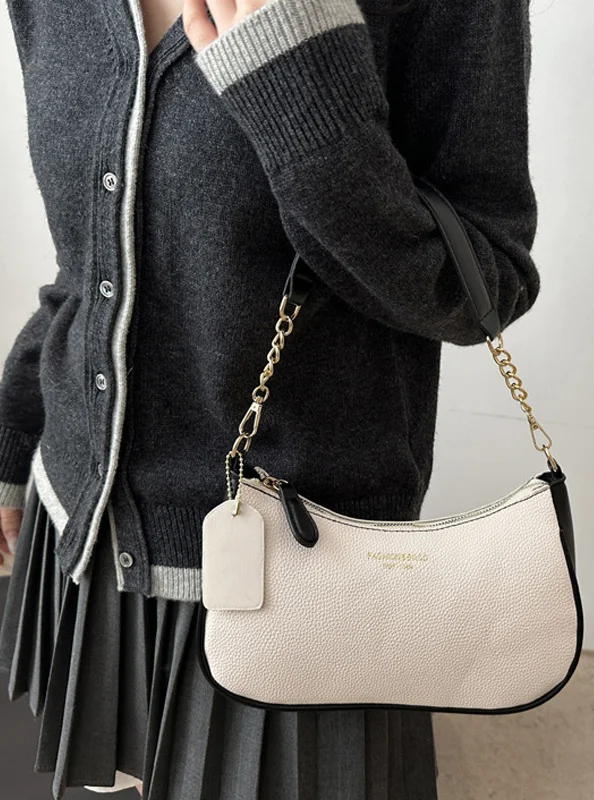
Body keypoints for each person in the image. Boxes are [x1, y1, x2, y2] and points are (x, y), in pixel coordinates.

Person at [0, 0, 541, 797]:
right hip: (77, 547)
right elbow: (88, 266)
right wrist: (13, 442)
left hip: (303, 586)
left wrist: (297, 93)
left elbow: (483, 288)